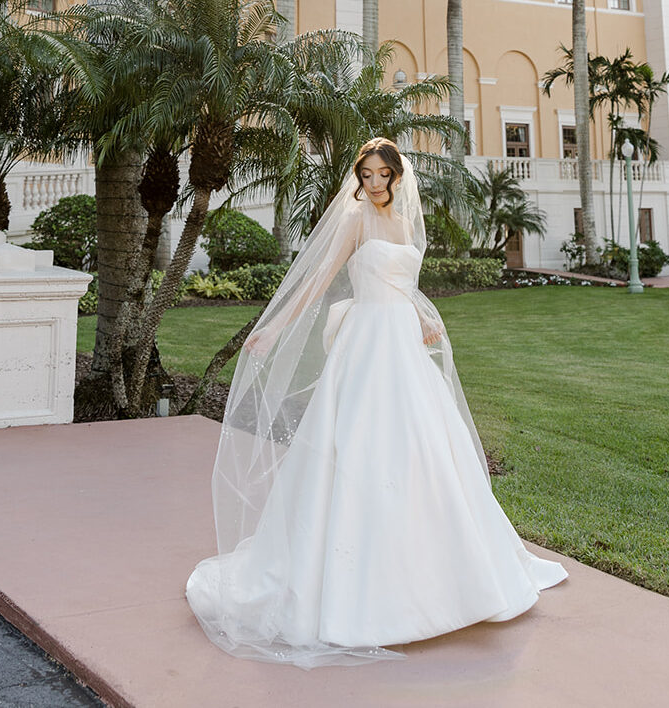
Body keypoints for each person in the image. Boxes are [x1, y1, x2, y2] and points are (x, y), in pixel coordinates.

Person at [186, 138, 567, 670]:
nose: (374, 183)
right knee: (358, 446)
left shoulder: (408, 221)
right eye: (366, 174)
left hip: (403, 342)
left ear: (396, 175)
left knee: (425, 446)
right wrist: (273, 326)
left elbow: (405, 285)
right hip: (364, 346)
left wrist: (425, 314)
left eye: (382, 174)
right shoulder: (354, 219)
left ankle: (452, 577)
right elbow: (318, 281)